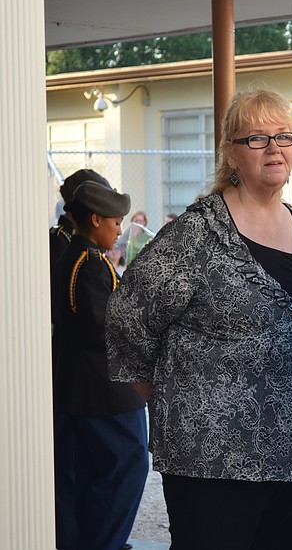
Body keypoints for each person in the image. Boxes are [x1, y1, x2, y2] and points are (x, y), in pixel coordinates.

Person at [106, 89, 292, 549]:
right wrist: (178, 401)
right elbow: (126, 320)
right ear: (231, 152)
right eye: (257, 138)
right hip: (214, 461)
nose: (274, 148)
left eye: (284, 136)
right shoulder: (196, 235)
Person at [53, 180, 148, 550]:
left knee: (95, 475)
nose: (119, 230)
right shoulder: (88, 264)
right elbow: (103, 329)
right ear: (95, 220)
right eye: (115, 222)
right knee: (126, 468)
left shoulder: (76, 256)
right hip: (104, 393)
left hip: (86, 389)